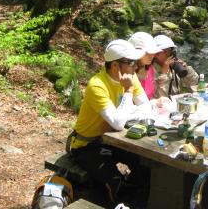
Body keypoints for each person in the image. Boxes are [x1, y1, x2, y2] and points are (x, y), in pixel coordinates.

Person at [67, 39, 149, 203]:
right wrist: (128, 93)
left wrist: (124, 112)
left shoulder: (130, 77)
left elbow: (146, 107)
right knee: (117, 185)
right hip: (87, 145)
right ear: (115, 65)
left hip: (111, 140)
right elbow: (118, 123)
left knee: (145, 166)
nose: (135, 66)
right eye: (131, 62)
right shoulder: (97, 85)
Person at [128, 32, 162, 100]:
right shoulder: (127, 74)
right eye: (147, 53)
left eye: (152, 52)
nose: (151, 56)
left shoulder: (150, 68)